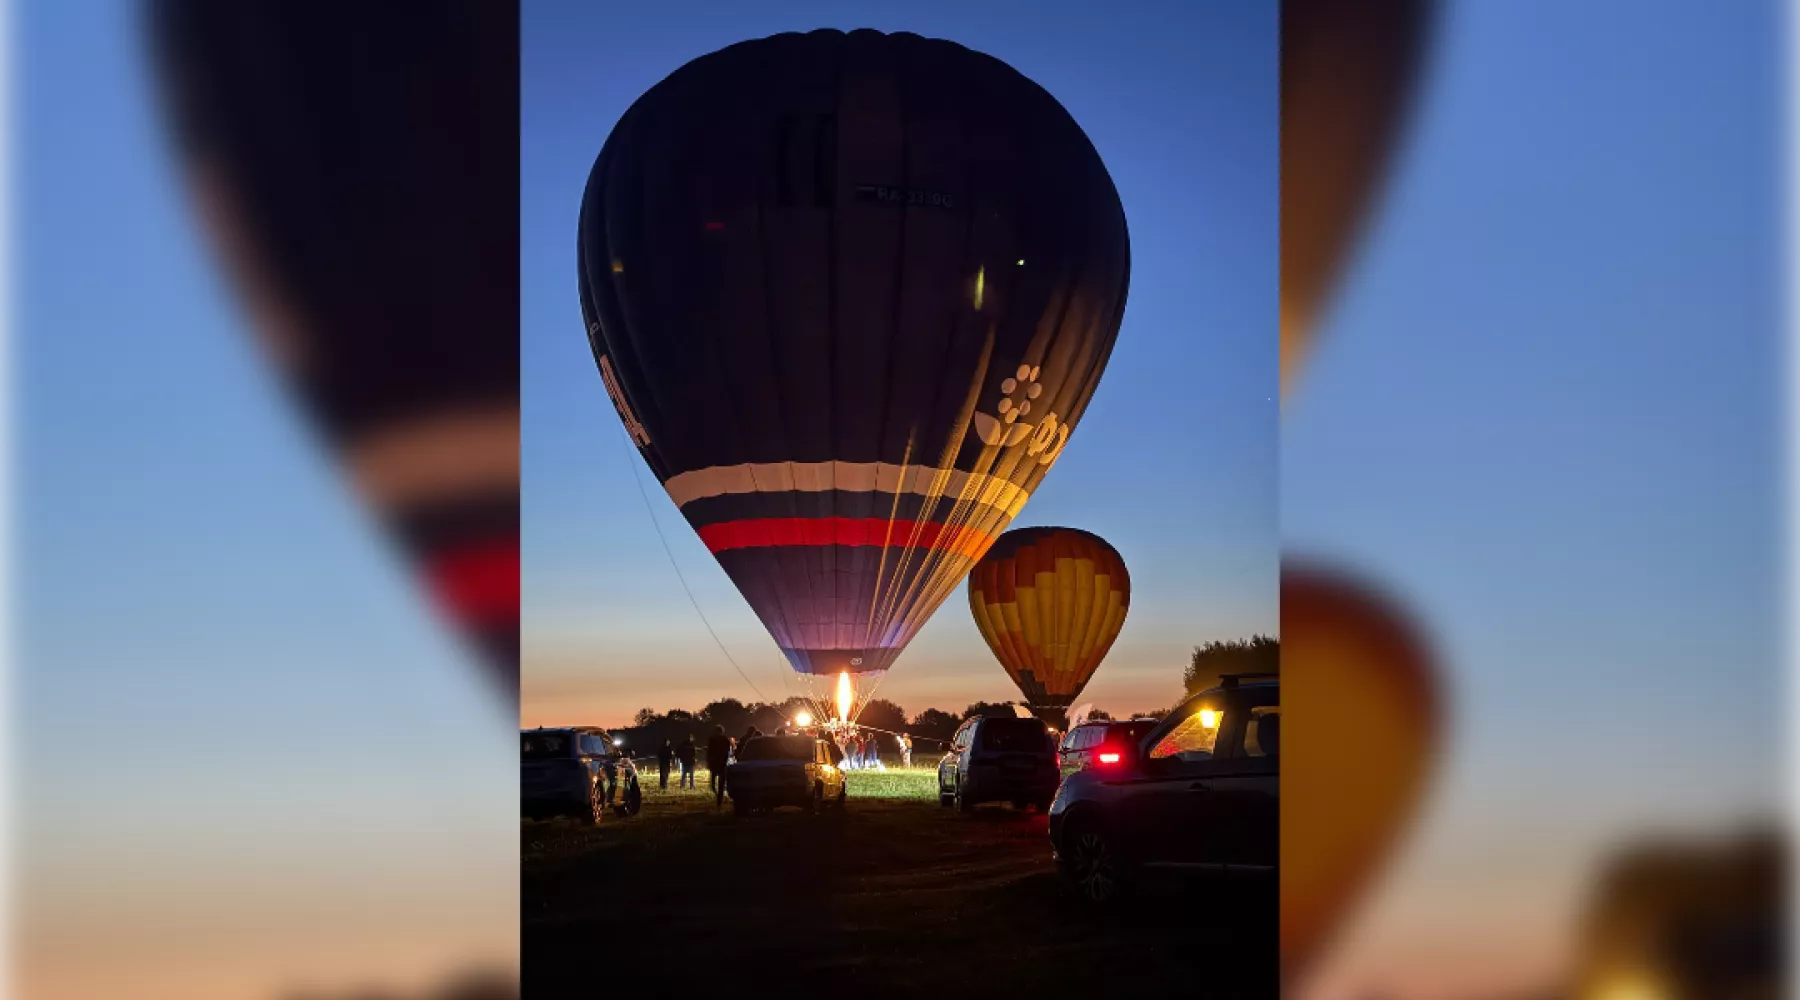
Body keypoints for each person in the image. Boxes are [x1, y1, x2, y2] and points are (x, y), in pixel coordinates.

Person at [706, 725, 733, 806]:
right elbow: (728, 752)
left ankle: (716, 794)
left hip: (714, 763)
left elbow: (709, 751)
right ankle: (719, 799)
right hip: (722, 763)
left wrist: (709, 761)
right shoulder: (725, 740)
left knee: (713, 781)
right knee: (721, 783)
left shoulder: (712, 739)